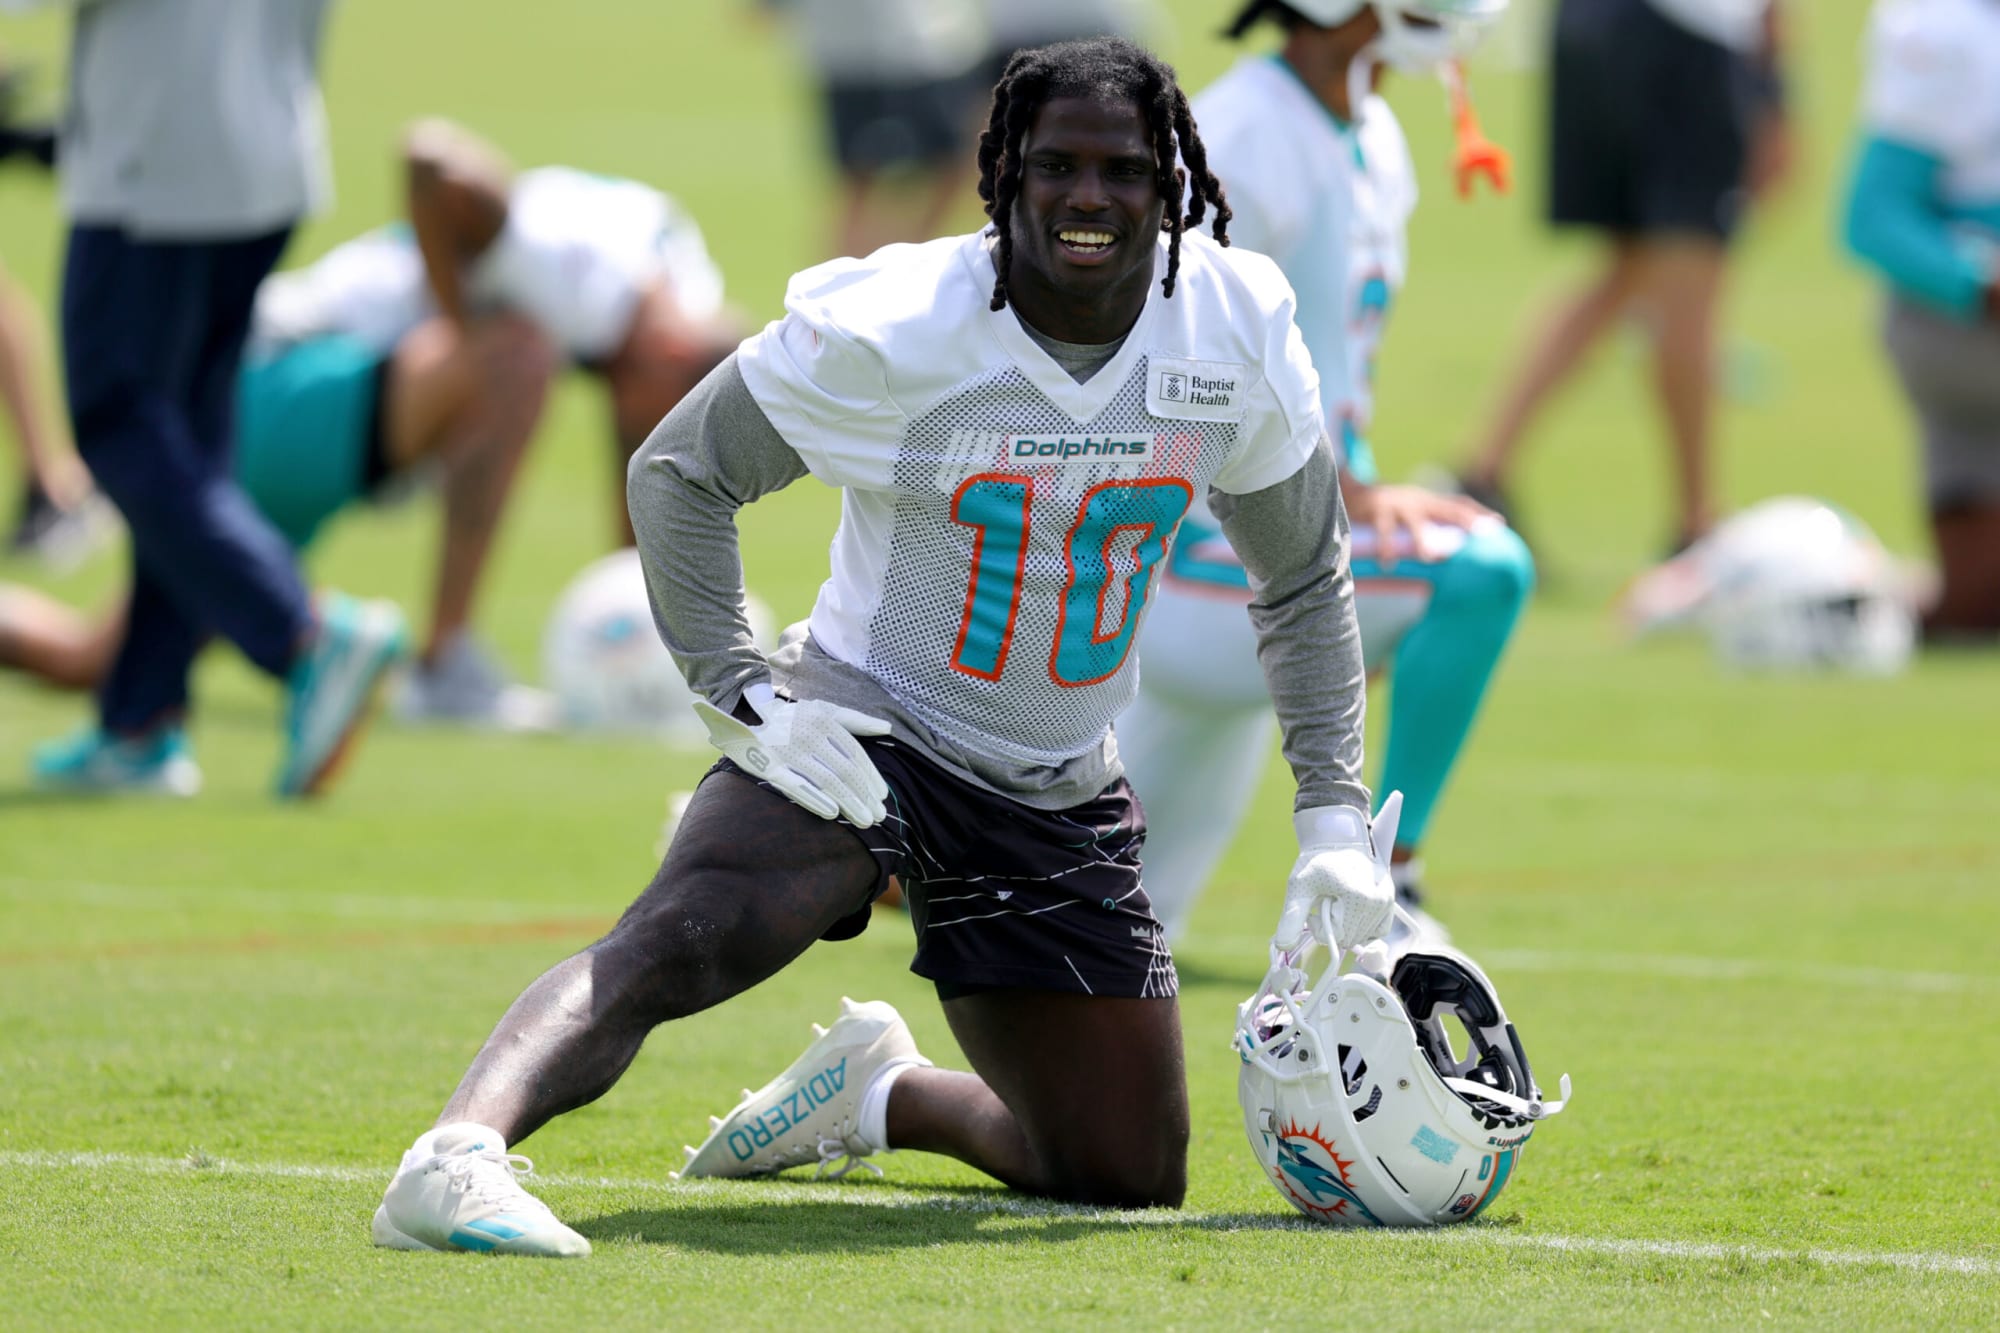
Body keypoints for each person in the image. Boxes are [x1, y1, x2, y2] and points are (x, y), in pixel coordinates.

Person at [371, 36, 1397, 1256]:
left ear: (1167, 187)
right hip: (871, 736)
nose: (1087, 197)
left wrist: (1330, 816)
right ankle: (454, 1157)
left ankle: (879, 1092)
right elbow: (680, 471)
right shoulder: (903, 323)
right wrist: (745, 700)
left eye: (1122, 170)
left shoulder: (1229, 325)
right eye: (1055, 166)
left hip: (1057, 784)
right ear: (1002, 177)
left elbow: (1300, 573)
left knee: (1121, 1170)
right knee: (689, 937)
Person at [0, 121, 744, 727]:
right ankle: (445, 661)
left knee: (95, 661)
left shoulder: (674, 291)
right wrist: (457, 329)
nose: (652, 431)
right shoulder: (580, 276)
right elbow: (430, 158)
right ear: (672, 354)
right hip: (283, 379)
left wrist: (643, 617)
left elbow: (640, 459)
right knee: (515, 356)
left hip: (321, 401)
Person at [1118, 0, 1531, 941]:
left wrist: (1351, 497)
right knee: (1480, 571)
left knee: (1101, 922)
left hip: (1259, 542)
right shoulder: (1240, 139)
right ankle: (1392, 883)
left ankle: (906, 857)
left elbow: (1337, 372)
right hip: (1180, 555)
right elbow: (1167, 363)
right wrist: (1339, 499)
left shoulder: (1368, 132)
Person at [25, 0, 406, 799]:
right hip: (268, 149)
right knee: (186, 442)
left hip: (154, 159)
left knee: (120, 424)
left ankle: (303, 635)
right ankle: (141, 722)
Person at [1456, 0, 1791, 554]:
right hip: (1688, 33)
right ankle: (1697, 525)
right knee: (1689, 275)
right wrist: (1777, 90)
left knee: (1631, 267)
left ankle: (1481, 472)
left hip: (1589, 23)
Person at [1842, 0, 2000, 641]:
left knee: (1974, 613)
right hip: (1963, 330)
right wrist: (1981, 280)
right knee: (1973, 612)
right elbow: (1873, 216)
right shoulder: (1945, 27)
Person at [764, 0, 990, 257]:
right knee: (858, 180)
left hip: (917, 52)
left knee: (956, 163)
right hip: (857, 57)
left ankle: (911, 254)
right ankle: (852, 268)